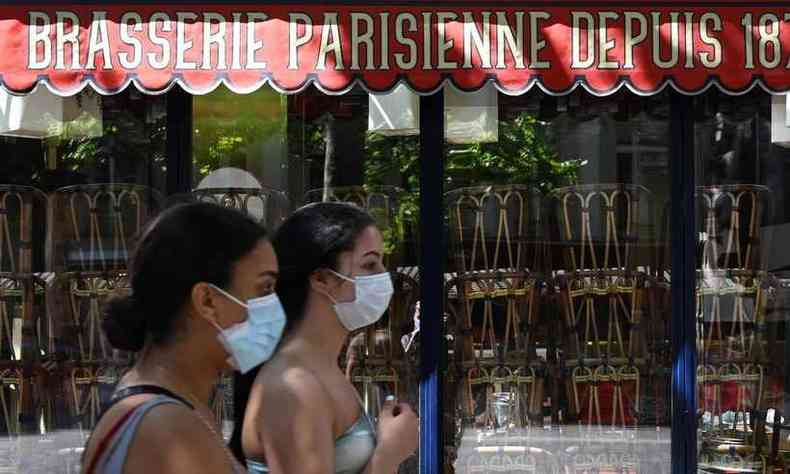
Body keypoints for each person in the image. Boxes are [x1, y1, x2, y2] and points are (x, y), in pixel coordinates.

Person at [81, 202, 285, 474]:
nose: (274, 304)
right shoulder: (169, 428)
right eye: (265, 288)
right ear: (207, 300)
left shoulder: (174, 408)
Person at [230, 202, 418, 474]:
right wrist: (389, 453)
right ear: (322, 279)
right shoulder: (294, 386)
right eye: (369, 263)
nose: (382, 277)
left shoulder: (317, 369)